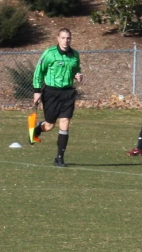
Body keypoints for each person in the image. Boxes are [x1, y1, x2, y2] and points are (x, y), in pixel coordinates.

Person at [30, 28, 83, 167]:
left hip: (68, 93)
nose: (66, 41)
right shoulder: (49, 53)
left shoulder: (75, 55)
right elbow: (38, 72)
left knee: (65, 122)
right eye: (63, 38)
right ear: (58, 38)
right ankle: (38, 128)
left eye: (68, 38)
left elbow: (76, 69)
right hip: (51, 92)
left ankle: (59, 158)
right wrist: (37, 91)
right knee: (49, 126)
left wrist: (77, 75)